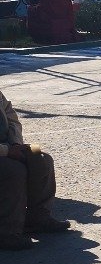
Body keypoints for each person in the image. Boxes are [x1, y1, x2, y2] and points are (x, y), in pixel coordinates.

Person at [0, 87, 66, 250]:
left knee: (42, 157)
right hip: (3, 151)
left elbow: (11, 116)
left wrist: (16, 143)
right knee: (14, 171)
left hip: (10, 146)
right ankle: (7, 233)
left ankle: (38, 218)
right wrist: (7, 151)